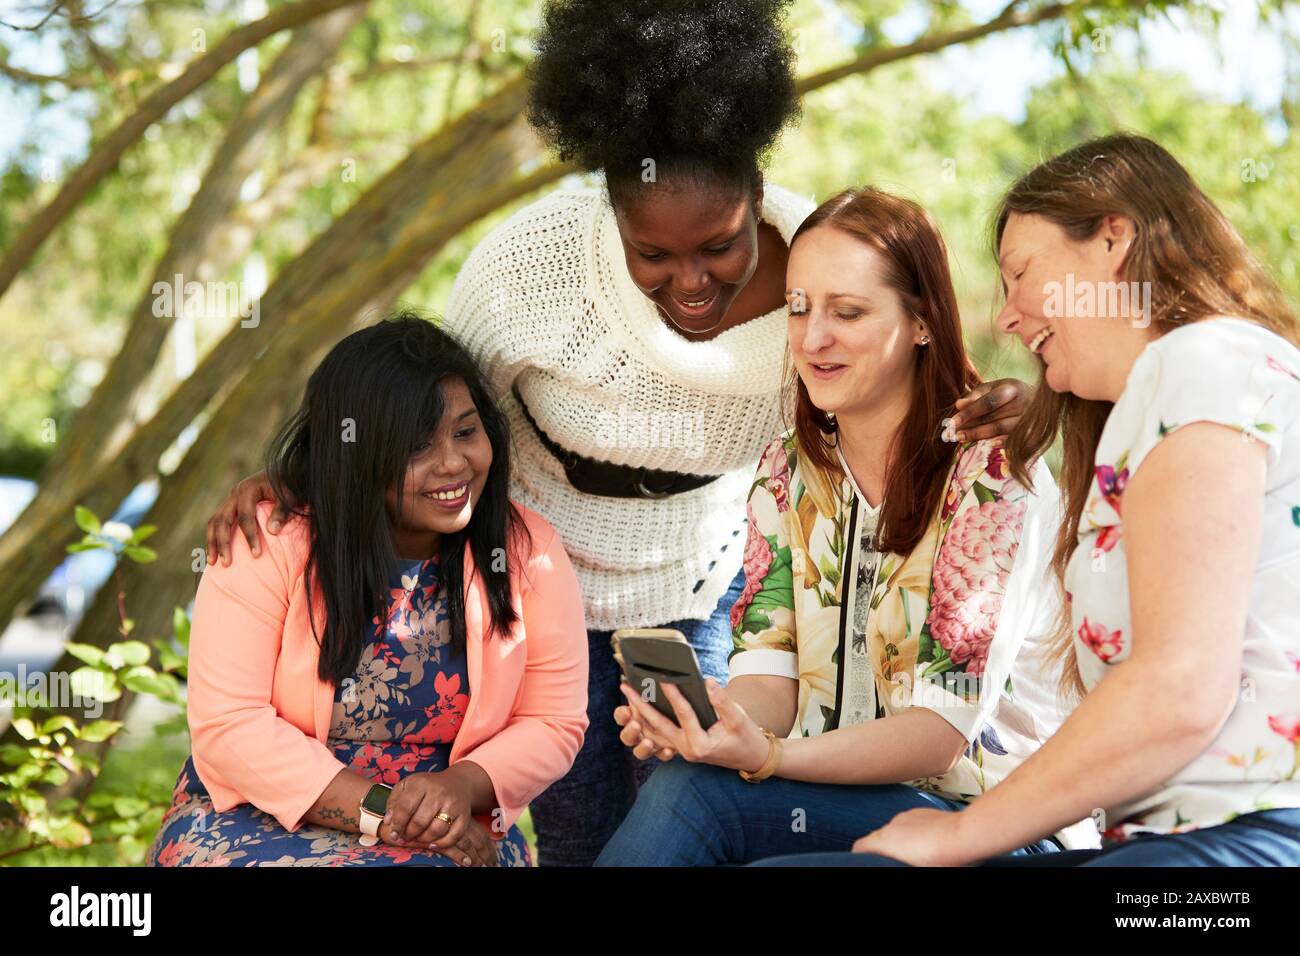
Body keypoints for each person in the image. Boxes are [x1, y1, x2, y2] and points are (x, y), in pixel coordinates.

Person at [201, 0, 1030, 866]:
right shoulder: (531, 269)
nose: (692, 283)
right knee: (572, 829)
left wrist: (998, 405)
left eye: (718, 246)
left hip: (696, 579)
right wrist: (300, 480)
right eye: (655, 257)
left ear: (756, 195)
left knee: (690, 799)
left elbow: (904, 361)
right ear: (610, 209)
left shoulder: (818, 280)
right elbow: (419, 417)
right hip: (529, 565)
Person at [770, 134, 1300, 867]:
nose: (1009, 315)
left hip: (1242, 846)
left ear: (1113, 238)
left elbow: (1179, 690)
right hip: (1163, 841)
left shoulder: (1203, 363)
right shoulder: (1156, 401)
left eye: (1021, 272)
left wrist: (961, 834)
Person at [596, 187, 1098, 866]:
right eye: (799, 307)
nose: (813, 337)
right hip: (836, 800)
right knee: (690, 781)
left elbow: (938, 735)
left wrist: (771, 757)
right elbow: (769, 677)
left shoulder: (989, 472)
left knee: (736, 829)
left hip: (998, 823)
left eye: (849, 312)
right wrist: (718, 725)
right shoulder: (787, 471)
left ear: (922, 322)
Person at [147, 316, 588, 867]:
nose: (453, 463)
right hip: (257, 812)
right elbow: (229, 726)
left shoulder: (527, 552)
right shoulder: (269, 540)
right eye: (416, 446)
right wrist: (389, 813)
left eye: (466, 432)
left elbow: (553, 721)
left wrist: (461, 786)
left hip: (452, 821)